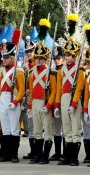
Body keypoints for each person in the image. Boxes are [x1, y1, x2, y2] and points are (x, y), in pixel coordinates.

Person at [55, 14, 85, 166]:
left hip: (74, 100)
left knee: (75, 130)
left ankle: (74, 158)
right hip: (64, 99)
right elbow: (59, 89)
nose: (67, 57)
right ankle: (67, 157)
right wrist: (57, 104)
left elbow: (79, 88)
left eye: (70, 55)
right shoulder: (60, 71)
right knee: (66, 129)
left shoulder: (80, 72)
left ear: (75, 55)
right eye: (66, 54)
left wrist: (74, 103)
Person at [0, 30, 25, 163]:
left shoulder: (18, 71)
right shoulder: (0, 71)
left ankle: (14, 154)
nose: (4, 59)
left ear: (12, 57)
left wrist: (16, 101)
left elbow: (22, 89)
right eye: (3, 57)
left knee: (14, 129)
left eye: (6, 57)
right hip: (2, 100)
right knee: (5, 128)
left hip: (13, 101)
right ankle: (6, 153)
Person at [28, 19, 56, 164]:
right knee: (37, 131)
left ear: (45, 59)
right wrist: (30, 105)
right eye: (37, 58)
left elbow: (54, 91)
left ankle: (45, 156)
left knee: (47, 132)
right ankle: (37, 155)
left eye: (41, 58)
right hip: (35, 103)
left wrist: (49, 105)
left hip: (45, 104)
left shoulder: (50, 73)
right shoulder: (32, 72)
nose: (38, 61)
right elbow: (31, 90)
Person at [49, 45, 64, 161]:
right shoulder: (52, 71)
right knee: (57, 129)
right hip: (54, 102)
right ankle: (58, 152)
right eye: (54, 59)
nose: (56, 61)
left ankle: (66, 153)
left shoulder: (65, 71)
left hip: (65, 101)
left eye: (58, 58)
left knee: (66, 129)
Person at [22, 35, 36, 160]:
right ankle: (33, 151)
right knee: (30, 125)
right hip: (28, 97)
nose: (29, 53)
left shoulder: (39, 64)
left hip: (37, 97)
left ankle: (38, 151)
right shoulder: (26, 65)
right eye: (27, 52)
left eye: (31, 51)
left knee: (37, 125)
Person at [82, 24, 90, 166]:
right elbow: (86, 94)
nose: (89, 64)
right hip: (89, 103)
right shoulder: (88, 76)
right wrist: (85, 109)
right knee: (88, 131)